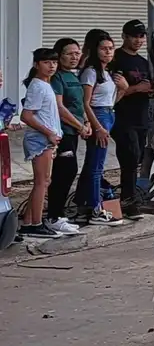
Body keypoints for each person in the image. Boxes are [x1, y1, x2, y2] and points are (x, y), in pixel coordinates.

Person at [75, 30, 122, 226]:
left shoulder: (108, 73)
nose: (108, 52)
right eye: (104, 49)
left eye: (111, 49)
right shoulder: (91, 72)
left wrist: (124, 89)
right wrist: (98, 127)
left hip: (108, 113)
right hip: (98, 116)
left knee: (92, 165)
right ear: (96, 50)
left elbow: (111, 101)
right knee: (96, 167)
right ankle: (96, 209)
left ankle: (82, 205)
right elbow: (86, 103)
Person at [109, 19, 153, 219]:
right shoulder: (115, 59)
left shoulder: (144, 62)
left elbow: (151, 87)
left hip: (142, 116)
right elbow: (109, 94)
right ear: (124, 36)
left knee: (138, 158)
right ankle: (128, 200)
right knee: (129, 156)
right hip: (122, 117)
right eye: (134, 36)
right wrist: (135, 88)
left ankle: (134, 195)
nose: (138, 40)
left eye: (141, 36)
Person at [20, 48, 65, 238]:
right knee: (42, 182)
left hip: (47, 138)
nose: (52, 66)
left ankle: (30, 222)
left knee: (45, 181)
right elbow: (26, 116)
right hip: (40, 139)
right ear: (37, 65)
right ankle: (36, 223)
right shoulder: (37, 86)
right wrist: (49, 133)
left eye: (54, 62)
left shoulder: (46, 85)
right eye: (47, 62)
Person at [47, 37, 89, 235]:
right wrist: (80, 125)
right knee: (64, 172)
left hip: (75, 131)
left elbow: (80, 104)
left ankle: (58, 214)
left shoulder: (73, 76)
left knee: (68, 172)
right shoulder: (57, 78)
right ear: (59, 55)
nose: (74, 57)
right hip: (63, 132)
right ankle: (53, 216)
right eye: (69, 53)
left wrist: (86, 123)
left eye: (76, 53)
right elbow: (59, 107)